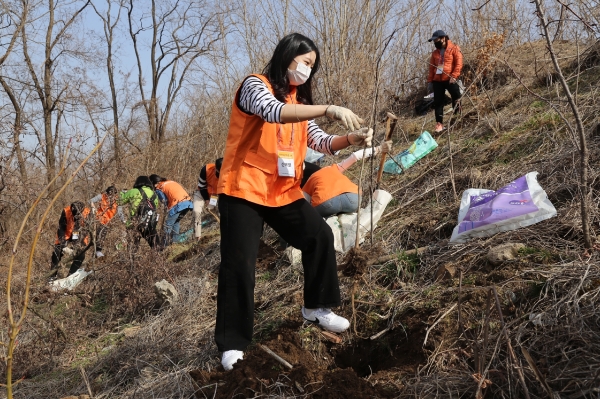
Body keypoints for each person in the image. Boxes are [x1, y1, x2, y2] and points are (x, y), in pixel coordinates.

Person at [215, 32, 373, 371]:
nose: (306, 70)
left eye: (312, 66)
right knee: (239, 265)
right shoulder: (254, 86)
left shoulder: (299, 103)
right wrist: (329, 108)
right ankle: (232, 344)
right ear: (286, 56)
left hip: (280, 192)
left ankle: (316, 308)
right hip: (242, 189)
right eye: (304, 62)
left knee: (319, 236)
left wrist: (351, 139)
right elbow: (272, 112)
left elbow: (320, 142)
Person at [303, 141, 392, 218]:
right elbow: (355, 156)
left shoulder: (308, 181)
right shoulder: (334, 168)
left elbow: (305, 205)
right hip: (353, 198)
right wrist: (378, 149)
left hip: (326, 203)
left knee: (313, 212)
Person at [426, 29, 463, 133]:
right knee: (438, 102)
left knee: (456, 97)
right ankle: (439, 124)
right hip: (437, 81)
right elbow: (431, 68)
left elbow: (459, 64)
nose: (434, 42)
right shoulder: (435, 53)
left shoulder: (454, 49)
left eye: (436, 40)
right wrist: (430, 81)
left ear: (443, 38)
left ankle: (457, 118)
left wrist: (454, 76)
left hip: (450, 78)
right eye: (433, 41)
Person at [150, 175, 193, 246]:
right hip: (188, 203)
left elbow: (164, 201)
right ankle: (175, 243)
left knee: (168, 225)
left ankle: (164, 245)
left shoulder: (159, 188)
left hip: (178, 205)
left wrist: (166, 209)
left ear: (154, 183)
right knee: (176, 222)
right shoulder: (170, 181)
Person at [51, 201, 91, 275]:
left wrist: (75, 245)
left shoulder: (87, 213)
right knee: (56, 252)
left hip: (80, 235)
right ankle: (52, 275)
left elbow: (85, 231)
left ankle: (71, 274)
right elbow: (61, 228)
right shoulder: (66, 211)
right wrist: (63, 245)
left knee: (81, 254)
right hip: (66, 233)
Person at [120, 176, 159, 249]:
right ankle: (156, 258)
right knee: (156, 246)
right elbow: (155, 207)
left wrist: (122, 193)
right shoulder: (154, 194)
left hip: (134, 223)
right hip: (149, 223)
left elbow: (119, 201)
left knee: (132, 249)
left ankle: (132, 259)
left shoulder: (134, 191)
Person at [89, 185, 123, 258]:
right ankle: (96, 251)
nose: (110, 196)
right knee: (98, 235)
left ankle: (97, 252)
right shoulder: (101, 196)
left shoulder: (117, 200)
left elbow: (120, 213)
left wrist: (123, 221)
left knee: (103, 236)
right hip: (99, 219)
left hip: (108, 221)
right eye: (109, 194)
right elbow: (90, 200)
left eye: (112, 194)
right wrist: (93, 208)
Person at [193, 158, 223, 240]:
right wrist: (206, 199)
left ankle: (222, 231)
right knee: (197, 211)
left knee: (212, 209)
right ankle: (197, 236)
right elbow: (202, 186)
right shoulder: (206, 169)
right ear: (216, 168)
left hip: (213, 195)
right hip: (201, 192)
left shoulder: (227, 174)